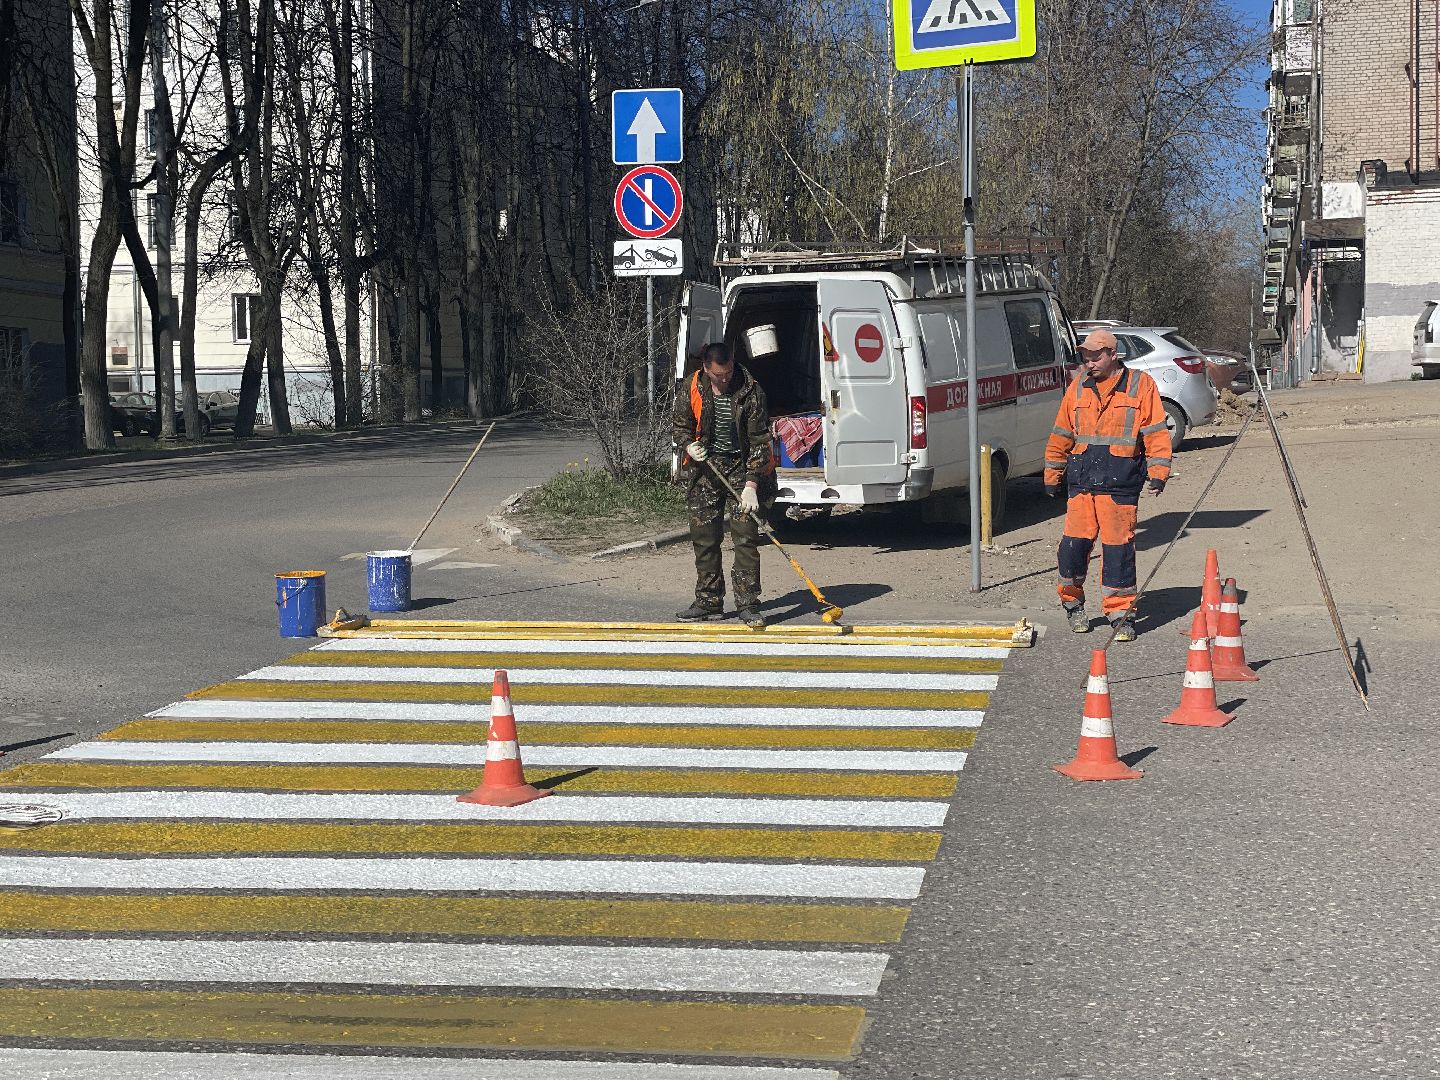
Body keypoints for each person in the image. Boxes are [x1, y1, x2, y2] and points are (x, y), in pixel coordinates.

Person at [1043, 328, 1172, 641]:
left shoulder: (1141, 385)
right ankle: (1072, 603)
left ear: (1114, 355)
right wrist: (1052, 474)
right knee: (1072, 550)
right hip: (1082, 485)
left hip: (1120, 485)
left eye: (1096, 356)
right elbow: (1061, 434)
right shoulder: (1077, 388)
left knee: (1118, 554)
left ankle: (1121, 615)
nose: (1089, 362)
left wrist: (1158, 472)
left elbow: (1155, 432)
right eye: (1086, 356)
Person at [672, 341, 775, 630]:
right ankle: (708, 601)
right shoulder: (692, 387)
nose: (725, 378)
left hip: (742, 468)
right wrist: (689, 446)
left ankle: (748, 604)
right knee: (704, 537)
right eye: (719, 375)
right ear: (705, 368)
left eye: (728, 372)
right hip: (706, 468)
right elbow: (679, 427)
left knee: (745, 537)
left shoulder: (751, 390)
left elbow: (760, 441)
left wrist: (752, 484)